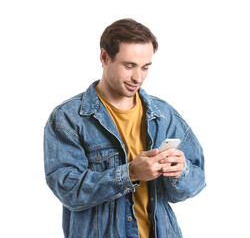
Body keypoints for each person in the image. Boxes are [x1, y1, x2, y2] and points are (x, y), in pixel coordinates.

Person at [44, 18, 206, 238]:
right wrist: (130, 173)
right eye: (129, 66)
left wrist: (180, 172)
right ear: (104, 57)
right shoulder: (68, 118)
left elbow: (196, 182)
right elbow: (68, 190)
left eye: (145, 67)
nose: (137, 77)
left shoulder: (164, 115)